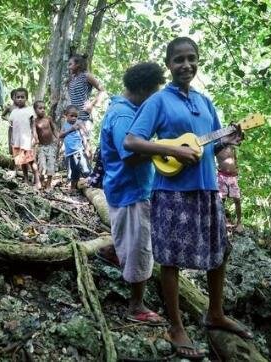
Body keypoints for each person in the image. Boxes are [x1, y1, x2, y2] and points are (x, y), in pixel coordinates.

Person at [123, 37, 250, 360]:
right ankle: (176, 325)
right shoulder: (158, 102)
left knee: (220, 252)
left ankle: (215, 313)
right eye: (179, 60)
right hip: (173, 192)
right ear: (168, 65)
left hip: (207, 189)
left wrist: (230, 144)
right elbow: (132, 141)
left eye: (191, 59)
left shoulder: (206, 103)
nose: (186, 65)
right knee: (171, 260)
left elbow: (219, 147)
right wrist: (170, 149)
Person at [100, 62, 166, 324]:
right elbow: (130, 155)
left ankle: (116, 251)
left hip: (124, 187)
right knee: (141, 247)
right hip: (131, 190)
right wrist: (167, 150)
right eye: (153, 93)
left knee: (129, 235)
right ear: (142, 89)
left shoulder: (127, 110)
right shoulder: (124, 116)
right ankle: (136, 306)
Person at [67, 54, 106, 139]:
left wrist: (92, 104)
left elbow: (102, 90)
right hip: (73, 118)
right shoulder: (72, 79)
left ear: (78, 65)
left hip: (84, 117)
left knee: (84, 146)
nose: (68, 67)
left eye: (70, 64)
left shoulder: (86, 76)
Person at [9, 88, 41, 189]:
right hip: (17, 141)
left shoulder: (29, 110)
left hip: (26, 141)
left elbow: (33, 125)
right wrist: (11, 139)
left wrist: (35, 136)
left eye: (22, 97)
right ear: (14, 98)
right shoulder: (13, 112)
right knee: (21, 161)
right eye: (18, 97)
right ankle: (26, 179)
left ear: (26, 98)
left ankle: (37, 181)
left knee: (31, 161)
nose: (20, 99)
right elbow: (11, 127)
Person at [59, 105, 91, 192]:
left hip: (79, 151)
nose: (74, 118)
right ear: (66, 115)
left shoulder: (78, 123)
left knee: (85, 168)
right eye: (71, 116)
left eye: (76, 116)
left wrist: (86, 147)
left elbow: (85, 134)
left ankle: (91, 185)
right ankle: (73, 188)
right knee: (74, 171)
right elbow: (60, 135)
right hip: (70, 153)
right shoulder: (65, 125)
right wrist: (71, 130)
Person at [32, 101, 59, 190]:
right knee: (42, 164)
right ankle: (41, 180)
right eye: (40, 108)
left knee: (51, 164)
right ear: (35, 110)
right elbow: (35, 132)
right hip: (41, 147)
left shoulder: (48, 119)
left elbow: (54, 129)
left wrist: (58, 138)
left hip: (51, 146)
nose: (43, 110)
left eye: (44, 108)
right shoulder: (35, 121)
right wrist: (35, 139)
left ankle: (48, 184)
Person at [216, 146, 243, 233]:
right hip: (221, 176)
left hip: (233, 177)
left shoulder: (231, 147)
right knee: (221, 200)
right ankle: (222, 221)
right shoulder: (218, 147)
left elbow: (234, 158)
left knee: (237, 200)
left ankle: (239, 222)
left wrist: (237, 168)